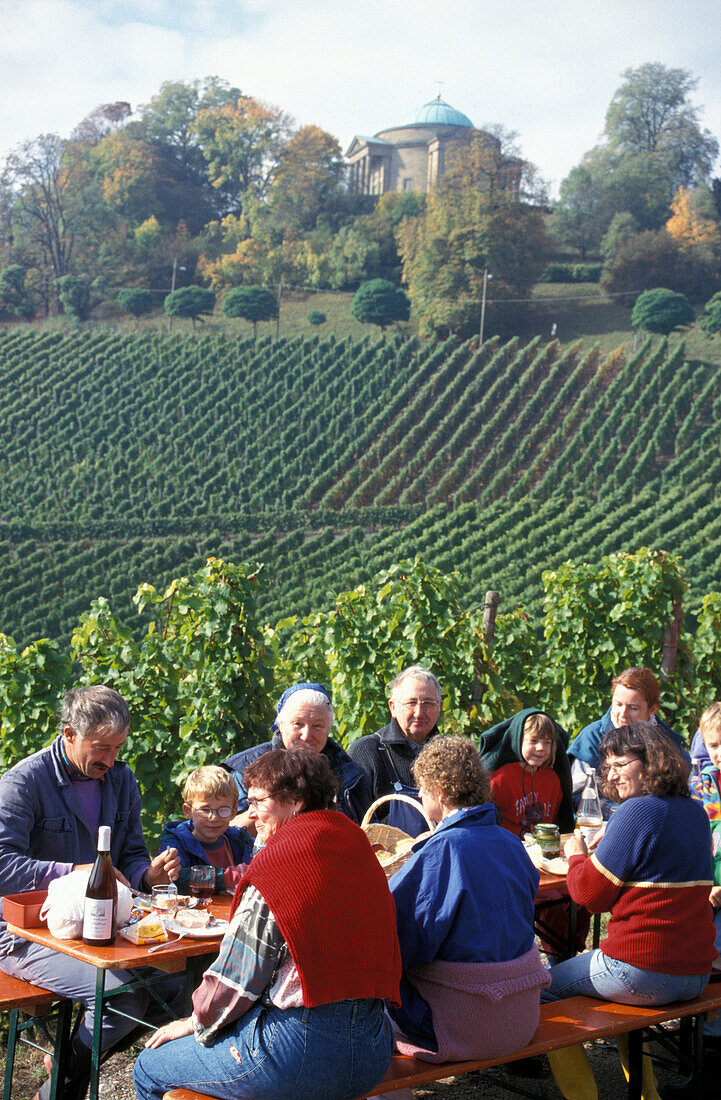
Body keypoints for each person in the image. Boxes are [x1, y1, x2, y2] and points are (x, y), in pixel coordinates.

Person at [133, 748, 402, 1100]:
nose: (250, 814)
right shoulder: (357, 845)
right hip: (373, 1047)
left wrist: (193, 1022)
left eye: (258, 801)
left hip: (299, 1054)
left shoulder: (280, 864)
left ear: (294, 801)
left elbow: (236, 982)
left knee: (149, 1067)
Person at [0, 686, 182, 1100]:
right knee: (125, 999)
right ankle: (58, 1092)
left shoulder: (121, 779)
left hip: (101, 929)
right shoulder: (23, 783)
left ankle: (66, 1059)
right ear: (69, 734)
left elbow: (131, 854)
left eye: (118, 747)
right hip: (25, 933)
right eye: (101, 748)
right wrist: (72, 872)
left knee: (175, 990)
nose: (110, 760)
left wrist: (146, 874)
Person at [544, 722, 716, 1100]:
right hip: (696, 972)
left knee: (542, 989)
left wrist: (576, 857)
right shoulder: (695, 813)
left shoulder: (636, 812)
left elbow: (590, 895)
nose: (612, 773)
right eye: (607, 766)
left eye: (621, 763)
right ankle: (646, 1094)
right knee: (613, 991)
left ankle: (584, 1097)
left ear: (650, 762)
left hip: (642, 971)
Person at [386, 735, 549, 1064]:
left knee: (370, 973)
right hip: (522, 1018)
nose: (418, 795)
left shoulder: (441, 852)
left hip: (460, 1028)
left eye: (422, 787)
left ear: (441, 793)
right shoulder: (513, 844)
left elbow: (399, 946)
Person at [223, 681, 372, 827]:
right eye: (298, 724)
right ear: (280, 725)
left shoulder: (351, 775)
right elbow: (218, 828)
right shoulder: (244, 768)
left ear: (329, 728)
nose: (306, 735)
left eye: (317, 726)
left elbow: (370, 830)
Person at [568, 667, 686, 807]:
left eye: (633, 708)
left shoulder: (668, 741)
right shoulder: (592, 738)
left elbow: (684, 789)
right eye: (618, 704)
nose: (622, 714)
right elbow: (578, 798)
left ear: (652, 710)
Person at [349, 666, 443, 835]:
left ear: (440, 707)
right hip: (386, 860)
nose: (419, 712)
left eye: (428, 703)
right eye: (411, 703)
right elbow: (354, 823)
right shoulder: (367, 751)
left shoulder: (451, 754)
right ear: (393, 707)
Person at [157, 765, 254, 895]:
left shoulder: (240, 841)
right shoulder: (176, 843)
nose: (213, 818)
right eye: (205, 810)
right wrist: (225, 878)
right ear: (188, 810)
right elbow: (175, 878)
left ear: (234, 811)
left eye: (223, 810)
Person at [479, 708, 574, 834]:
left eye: (547, 742)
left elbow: (557, 820)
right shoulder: (500, 779)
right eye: (533, 741)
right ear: (518, 740)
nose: (540, 747)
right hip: (506, 847)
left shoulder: (553, 780)